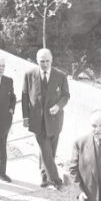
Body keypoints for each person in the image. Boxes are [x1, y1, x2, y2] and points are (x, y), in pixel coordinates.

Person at [22, 48, 70, 189]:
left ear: (52, 60)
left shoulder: (60, 76)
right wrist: (26, 117)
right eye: (42, 61)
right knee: (45, 150)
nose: (45, 64)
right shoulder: (29, 74)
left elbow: (66, 95)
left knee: (50, 151)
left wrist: (58, 106)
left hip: (55, 120)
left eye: (47, 61)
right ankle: (55, 180)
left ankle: (44, 176)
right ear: (37, 60)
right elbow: (25, 96)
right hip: (37, 120)